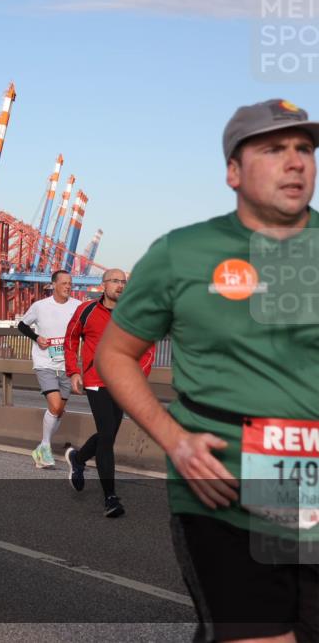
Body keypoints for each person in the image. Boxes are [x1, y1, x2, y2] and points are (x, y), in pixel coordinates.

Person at [97, 98, 318, 641]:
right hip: (224, 487)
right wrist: (174, 440)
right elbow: (114, 353)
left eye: (305, 149)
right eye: (274, 149)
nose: (296, 162)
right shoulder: (182, 254)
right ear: (233, 172)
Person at [63, 269, 155, 517]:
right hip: (95, 380)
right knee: (106, 435)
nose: (121, 286)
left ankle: (79, 459)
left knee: (108, 435)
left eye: (124, 281)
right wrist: (73, 371)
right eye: (115, 281)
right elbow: (71, 340)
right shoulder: (87, 310)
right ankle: (110, 498)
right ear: (103, 285)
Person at [18, 270, 82, 468]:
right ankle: (45, 447)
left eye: (70, 283)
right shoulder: (40, 306)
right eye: (63, 283)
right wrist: (37, 338)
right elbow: (21, 325)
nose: (68, 286)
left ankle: (41, 449)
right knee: (54, 406)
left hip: (67, 364)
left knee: (59, 411)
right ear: (53, 284)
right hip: (45, 362)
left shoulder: (77, 306)